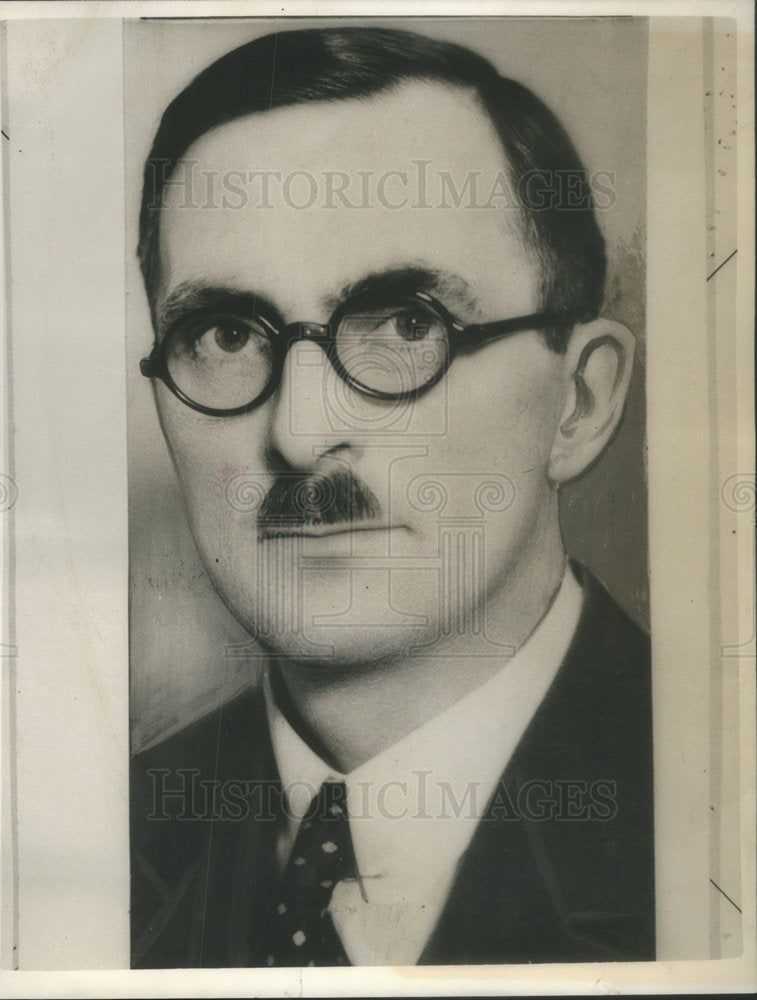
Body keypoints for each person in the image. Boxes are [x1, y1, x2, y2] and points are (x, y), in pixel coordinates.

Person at [130, 26, 653, 968]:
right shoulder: (92, 841)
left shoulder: (709, 800)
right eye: (223, 336)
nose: (296, 432)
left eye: (406, 324)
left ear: (578, 402)